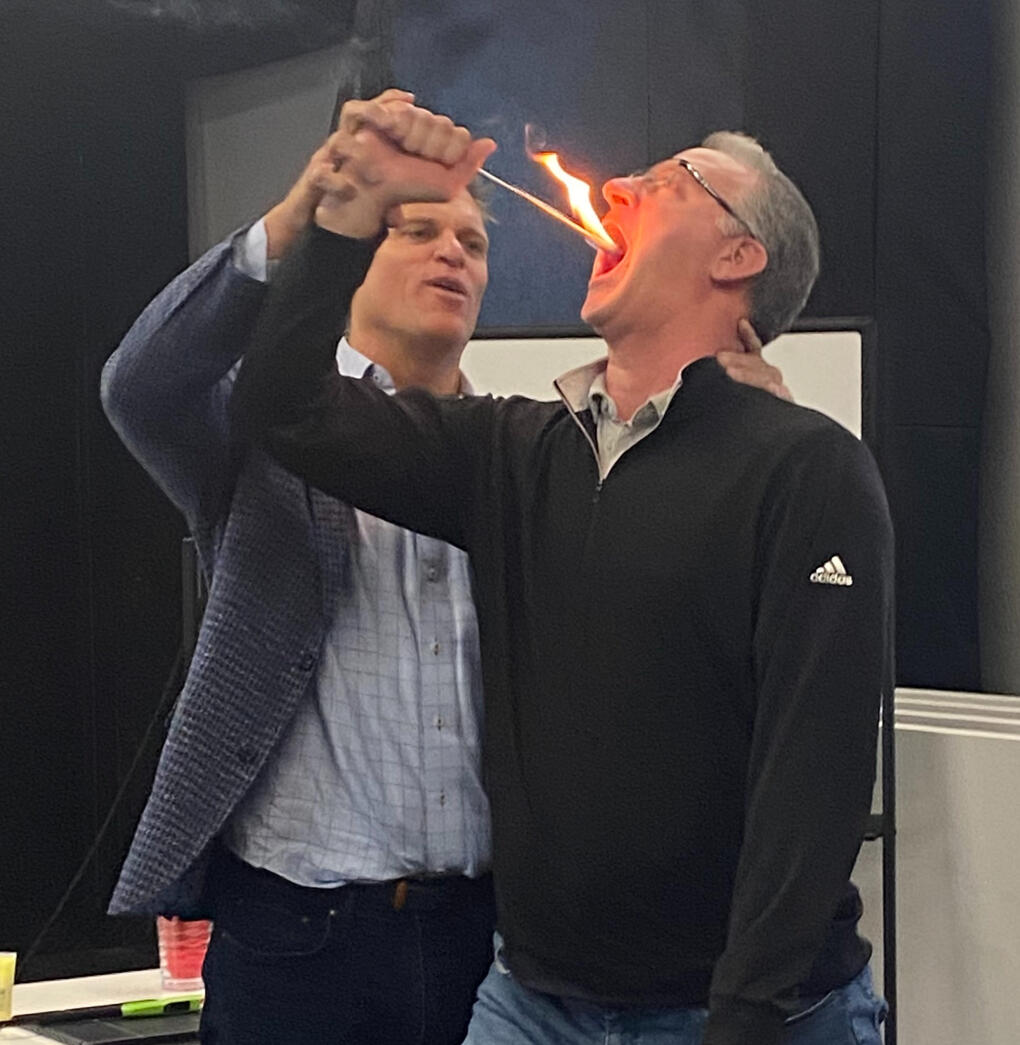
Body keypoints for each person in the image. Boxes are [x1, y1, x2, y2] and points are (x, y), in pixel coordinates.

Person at [100, 90, 784, 1045]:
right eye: (416, 229)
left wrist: (743, 431)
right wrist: (303, 217)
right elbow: (140, 385)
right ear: (350, 259)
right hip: (298, 935)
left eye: (472, 241)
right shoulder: (264, 436)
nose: (452, 253)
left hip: (490, 937)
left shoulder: (530, 455)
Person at [231, 91, 894, 1045]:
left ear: (738, 256)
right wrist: (345, 217)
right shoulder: (511, 452)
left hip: (748, 1012)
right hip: (536, 1004)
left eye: (668, 182)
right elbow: (284, 408)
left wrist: (746, 1016)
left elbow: (815, 777)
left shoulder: (809, 469)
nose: (617, 188)